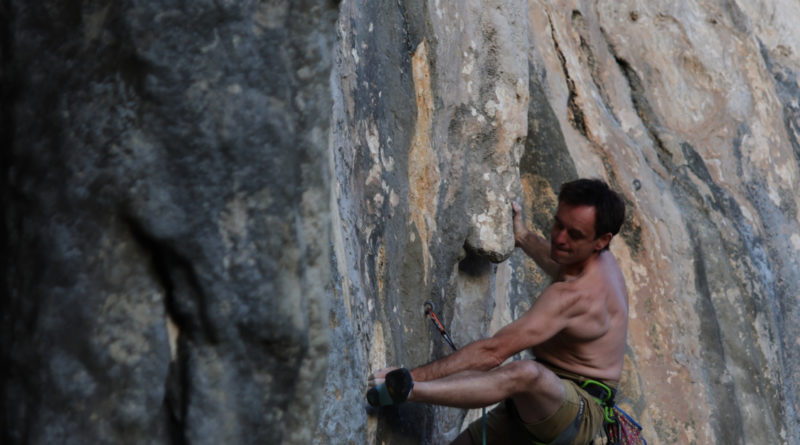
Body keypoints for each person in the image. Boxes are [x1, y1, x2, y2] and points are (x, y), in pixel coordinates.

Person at [367, 178, 629, 445]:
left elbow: (494, 353)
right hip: (536, 402)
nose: (560, 238)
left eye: (574, 234)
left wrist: (412, 376)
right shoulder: (588, 259)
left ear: (602, 240)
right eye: (558, 224)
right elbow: (555, 259)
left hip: (576, 414)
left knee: (526, 373)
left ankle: (407, 390)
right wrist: (524, 237)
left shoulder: (578, 296)